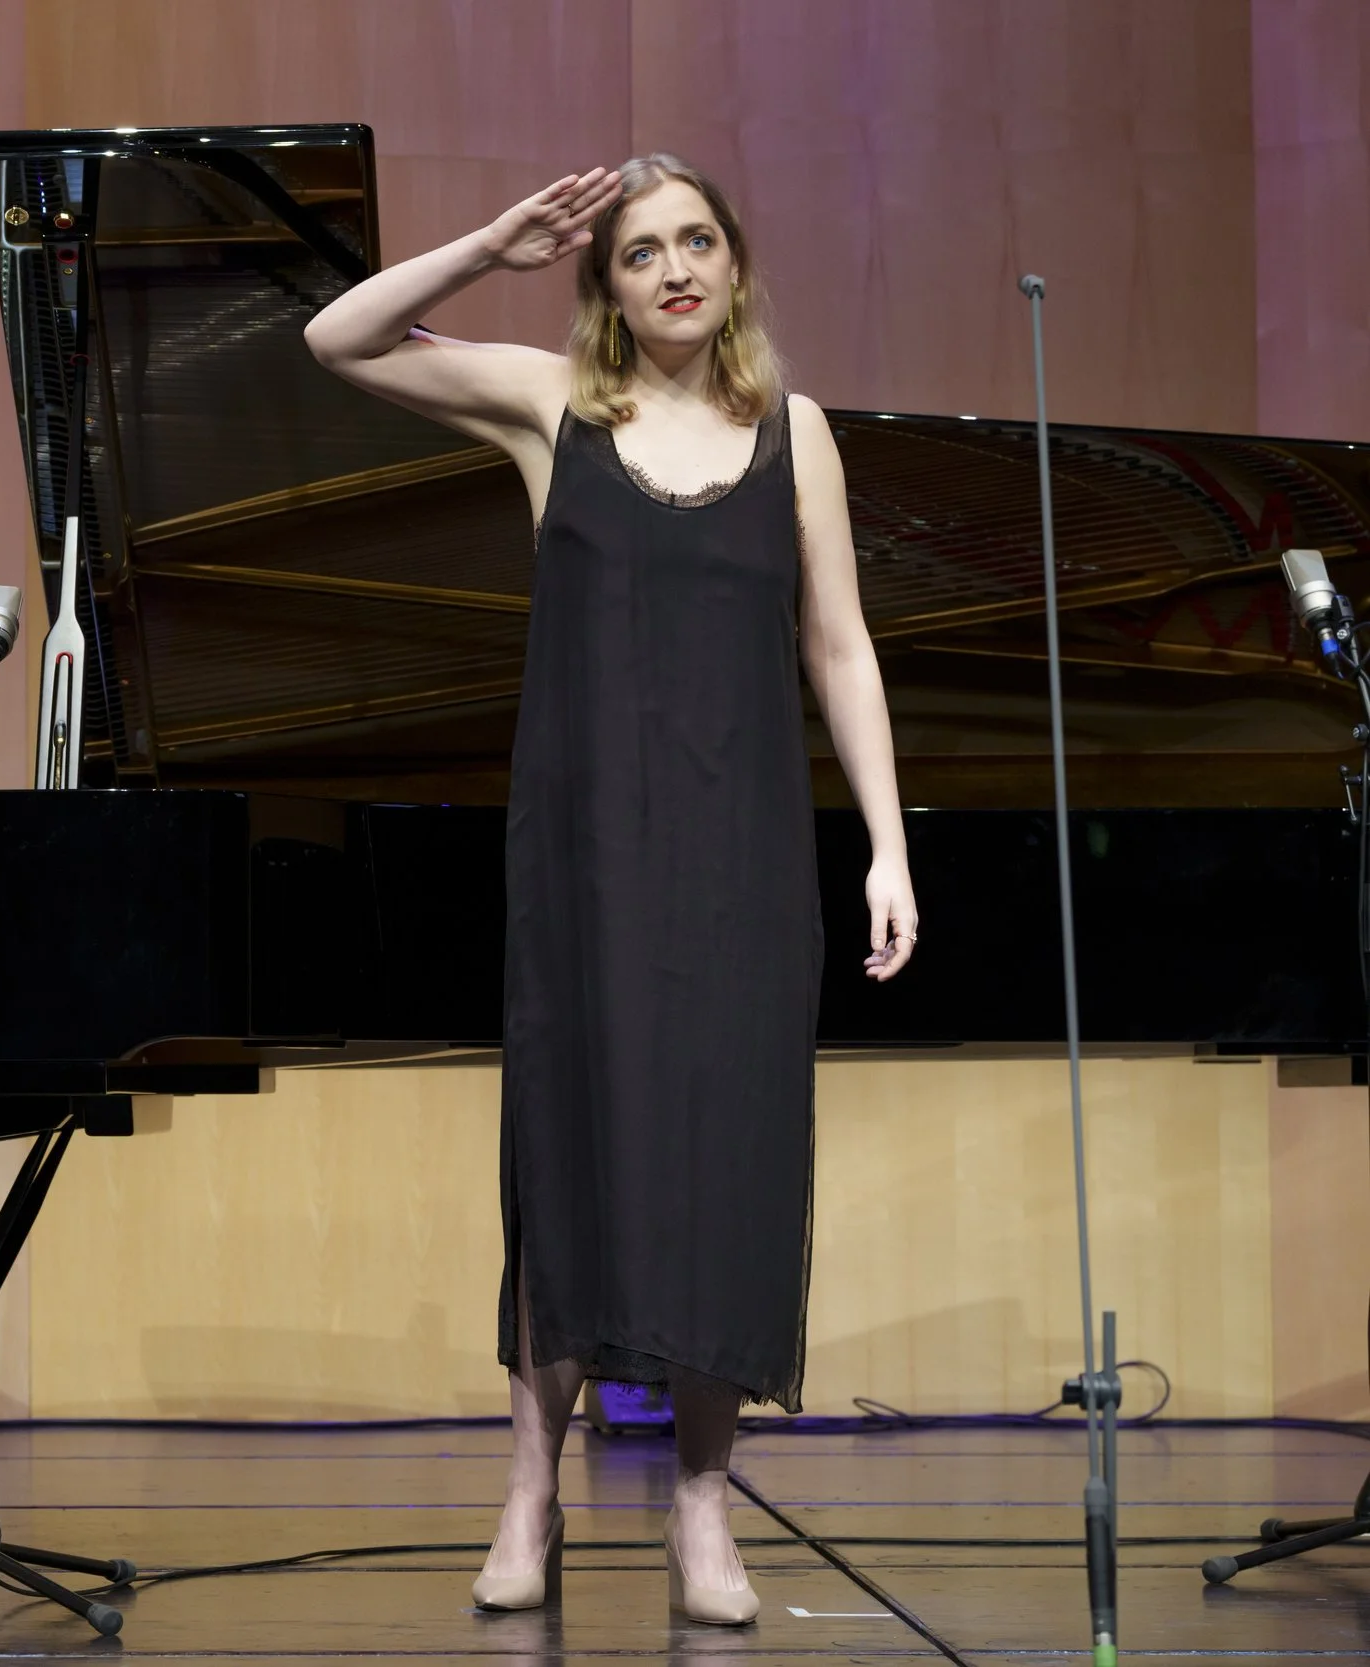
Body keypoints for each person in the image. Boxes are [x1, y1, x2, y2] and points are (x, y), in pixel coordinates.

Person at [306, 155, 917, 1625]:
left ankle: (703, 1511)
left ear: (735, 262)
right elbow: (339, 338)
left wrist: (890, 842)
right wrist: (487, 247)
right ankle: (534, 1493)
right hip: (586, 862)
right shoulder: (551, 408)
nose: (674, 271)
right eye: (641, 253)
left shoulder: (800, 435)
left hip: (745, 863)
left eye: (698, 241)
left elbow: (839, 646)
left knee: (729, 1171)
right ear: (608, 282)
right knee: (570, 1173)